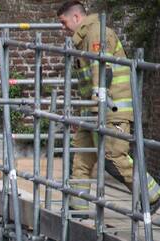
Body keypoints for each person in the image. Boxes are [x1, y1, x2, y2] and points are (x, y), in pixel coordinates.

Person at [56, 0, 160, 213]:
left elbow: (102, 71)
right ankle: (78, 207)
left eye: (64, 22)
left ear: (76, 17)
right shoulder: (85, 38)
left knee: (113, 156)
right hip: (93, 111)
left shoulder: (96, 34)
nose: (62, 28)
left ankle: (152, 194)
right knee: (82, 156)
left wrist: (97, 104)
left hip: (111, 110)